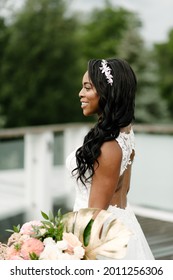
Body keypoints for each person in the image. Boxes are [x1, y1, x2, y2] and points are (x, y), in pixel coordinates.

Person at [66, 58, 154, 259]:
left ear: (107, 93)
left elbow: (94, 216)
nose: (80, 94)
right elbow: (124, 188)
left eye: (87, 88)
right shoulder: (124, 134)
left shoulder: (109, 147)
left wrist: (66, 252)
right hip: (122, 225)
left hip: (102, 238)